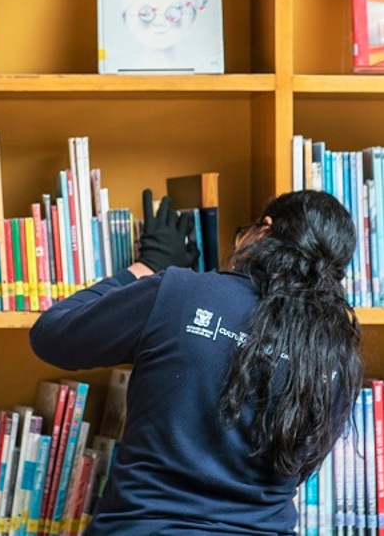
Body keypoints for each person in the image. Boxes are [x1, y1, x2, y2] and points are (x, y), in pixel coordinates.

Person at [29, 189, 363, 535]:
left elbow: (52, 336)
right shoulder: (336, 351)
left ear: (264, 231)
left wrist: (148, 265)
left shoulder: (180, 292)